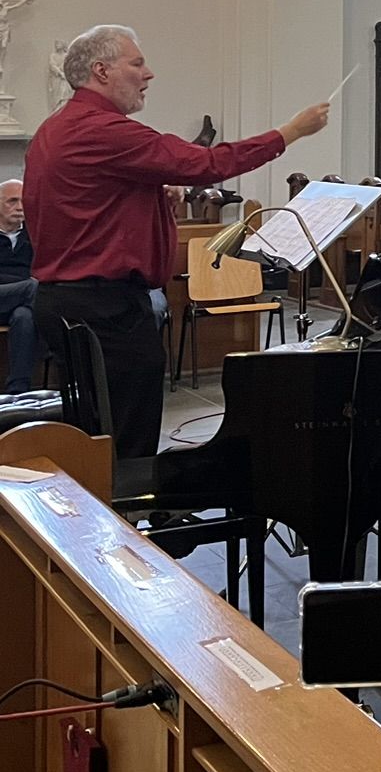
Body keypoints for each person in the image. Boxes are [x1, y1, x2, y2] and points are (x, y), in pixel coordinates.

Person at [26, 25, 328, 458]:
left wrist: (151, 194)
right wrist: (290, 131)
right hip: (103, 309)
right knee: (125, 441)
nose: (148, 74)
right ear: (101, 70)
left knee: (101, 433)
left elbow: (86, 207)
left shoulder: (59, 127)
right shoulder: (103, 129)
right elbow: (206, 163)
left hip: (74, 300)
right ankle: (122, 518)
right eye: (136, 63)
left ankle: (107, 510)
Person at [0, 180, 40, 395]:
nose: (20, 207)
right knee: (35, 289)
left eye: (24, 201)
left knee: (25, 316)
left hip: (22, 301)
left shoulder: (35, 236)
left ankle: (19, 392)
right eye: (12, 201)